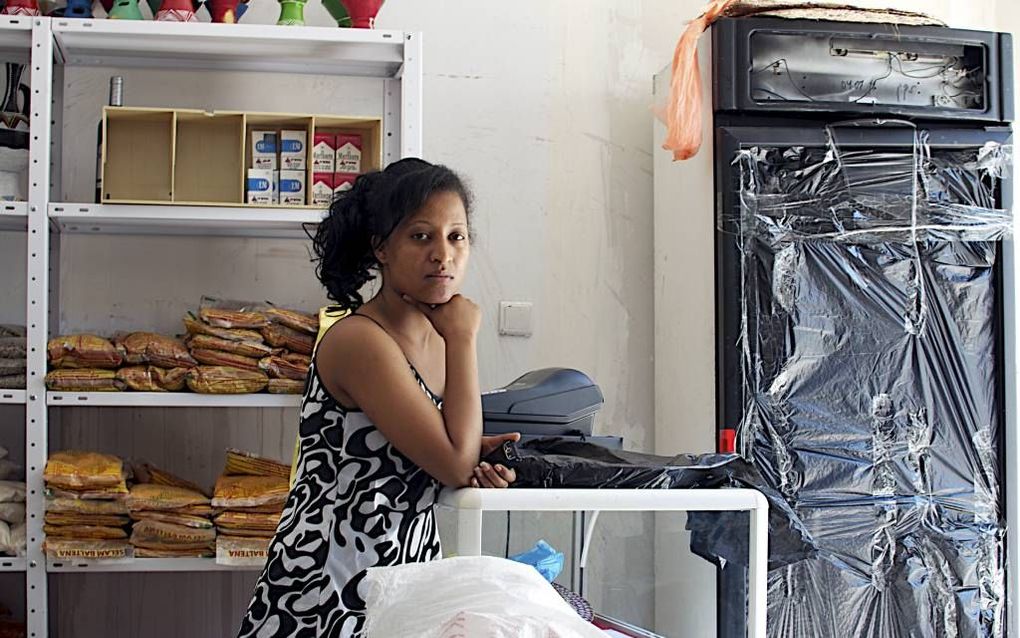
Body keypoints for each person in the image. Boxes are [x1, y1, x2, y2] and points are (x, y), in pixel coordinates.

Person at [237, 158, 519, 637]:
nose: (443, 255)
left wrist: (474, 456)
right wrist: (466, 341)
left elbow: (441, 456)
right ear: (381, 249)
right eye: (421, 236)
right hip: (330, 585)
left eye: (457, 237)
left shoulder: (436, 335)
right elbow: (451, 461)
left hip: (400, 577)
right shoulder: (363, 341)